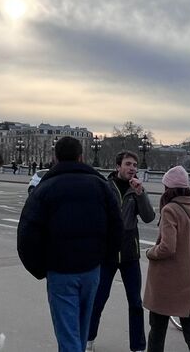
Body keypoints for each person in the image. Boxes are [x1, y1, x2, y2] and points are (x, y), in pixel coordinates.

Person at [18, 137, 123, 351]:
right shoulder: (101, 186)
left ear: (55, 158)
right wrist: (105, 259)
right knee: (81, 330)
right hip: (92, 269)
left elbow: (27, 234)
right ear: (81, 156)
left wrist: (40, 268)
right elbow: (117, 227)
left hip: (60, 270)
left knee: (68, 334)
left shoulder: (44, 188)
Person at [88, 151, 155, 352]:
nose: (132, 168)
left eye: (134, 164)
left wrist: (141, 193)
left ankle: (138, 347)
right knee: (98, 300)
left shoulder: (137, 190)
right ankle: (88, 339)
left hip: (130, 254)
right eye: (128, 164)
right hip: (107, 254)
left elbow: (149, 217)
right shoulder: (105, 187)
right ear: (118, 166)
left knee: (135, 303)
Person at [143, 165, 190, 352]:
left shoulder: (170, 210)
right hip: (189, 278)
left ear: (168, 188)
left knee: (157, 330)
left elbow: (167, 247)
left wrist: (150, 252)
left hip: (167, 281)